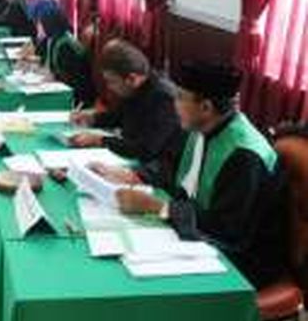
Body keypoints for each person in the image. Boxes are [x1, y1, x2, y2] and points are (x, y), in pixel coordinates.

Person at [93, 63, 287, 289]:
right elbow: (176, 174)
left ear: (205, 107)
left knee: (138, 278)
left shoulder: (244, 155)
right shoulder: (204, 129)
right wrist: (135, 175)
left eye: (180, 98)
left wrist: (158, 207)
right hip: (209, 232)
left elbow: (226, 229)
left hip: (244, 260)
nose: (174, 106)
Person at [70, 39, 181, 162]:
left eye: (112, 81)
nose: (109, 87)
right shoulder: (134, 88)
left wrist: (99, 140)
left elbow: (146, 149)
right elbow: (119, 117)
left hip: (154, 168)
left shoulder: (163, 98)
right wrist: (93, 119)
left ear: (131, 79)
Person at [29, 0, 96, 106]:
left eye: (40, 24)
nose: (38, 27)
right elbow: (53, 70)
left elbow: (72, 80)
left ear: (49, 24)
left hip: (77, 99)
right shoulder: (54, 38)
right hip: (63, 91)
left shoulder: (65, 46)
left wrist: (51, 77)